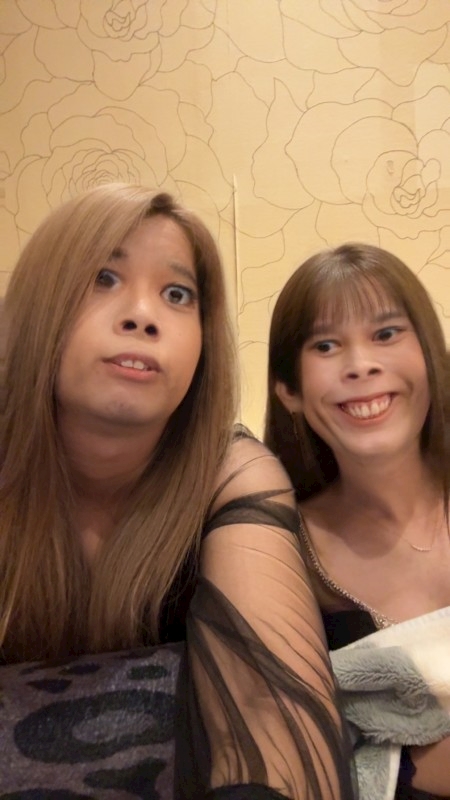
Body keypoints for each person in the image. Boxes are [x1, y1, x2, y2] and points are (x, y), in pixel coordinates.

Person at [0, 184, 355, 800]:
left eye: (177, 294)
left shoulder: (232, 471)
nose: (143, 315)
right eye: (103, 277)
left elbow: (270, 709)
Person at [265, 242, 450, 799]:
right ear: (289, 391)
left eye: (386, 333)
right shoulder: (276, 555)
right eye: (326, 345)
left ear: (430, 355)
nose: (361, 364)